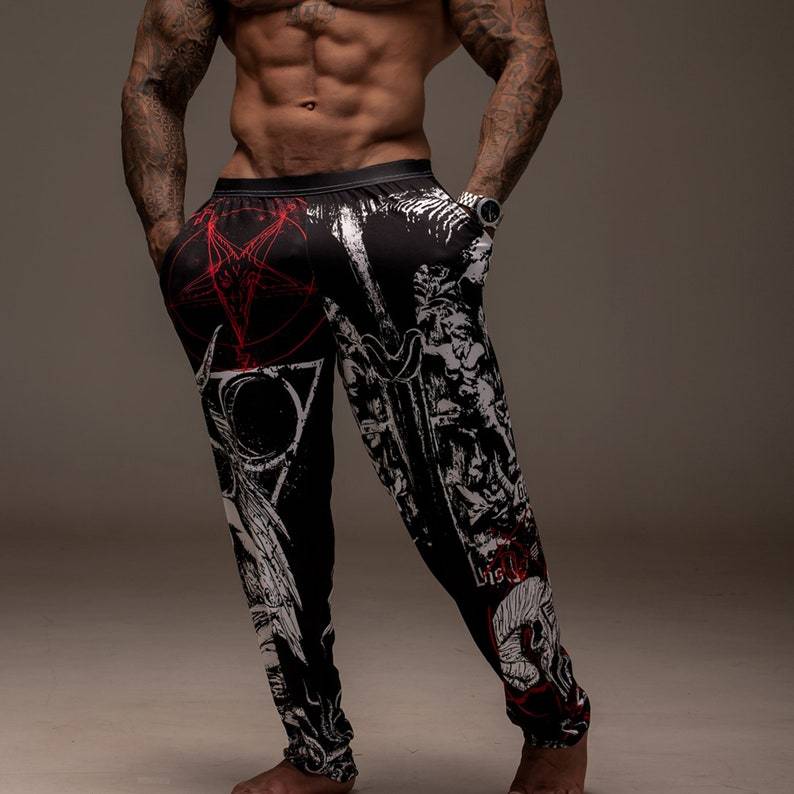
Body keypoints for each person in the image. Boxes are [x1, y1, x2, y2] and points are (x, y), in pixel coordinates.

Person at [121, 2, 591, 792]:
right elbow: (153, 81)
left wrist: (473, 212)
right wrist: (170, 240)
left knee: (470, 497)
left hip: (392, 210)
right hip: (244, 224)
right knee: (269, 511)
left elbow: (529, 56)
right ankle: (316, 753)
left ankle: (554, 726)